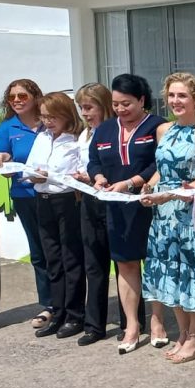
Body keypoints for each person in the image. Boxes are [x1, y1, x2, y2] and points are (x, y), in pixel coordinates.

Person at [140, 73, 195, 364]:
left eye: (182, 95)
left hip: (190, 216)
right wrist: (150, 186)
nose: (175, 101)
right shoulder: (164, 130)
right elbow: (162, 169)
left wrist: (170, 194)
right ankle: (182, 333)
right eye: (172, 96)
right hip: (163, 215)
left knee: (191, 273)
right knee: (168, 272)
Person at [87, 74, 165, 354]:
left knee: (154, 263)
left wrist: (132, 182)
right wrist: (97, 177)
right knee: (125, 264)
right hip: (117, 208)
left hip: (149, 204)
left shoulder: (157, 126)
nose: (120, 109)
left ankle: (157, 321)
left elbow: (160, 162)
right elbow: (94, 159)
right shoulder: (106, 129)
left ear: (142, 100)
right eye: (116, 104)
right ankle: (132, 324)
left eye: (127, 104)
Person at [26, 92, 87, 339]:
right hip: (43, 199)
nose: (48, 122)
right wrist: (33, 175)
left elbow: (82, 171)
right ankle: (58, 311)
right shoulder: (41, 138)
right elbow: (28, 169)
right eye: (43, 117)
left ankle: (75, 315)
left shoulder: (76, 140)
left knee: (71, 257)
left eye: (52, 117)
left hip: (66, 200)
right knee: (52, 258)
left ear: (65, 115)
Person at [0, 79, 50, 328]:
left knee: (64, 251)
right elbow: (4, 166)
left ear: (35, 96)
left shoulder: (50, 122)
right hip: (25, 196)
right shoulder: (6, 129)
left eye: (22, 96)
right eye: (12, 97)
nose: (16, 100)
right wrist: (2, 160)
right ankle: (49, 305)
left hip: (58, 195)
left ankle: (72, 302)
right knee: (39, 251)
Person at [72, 83, 117, 346]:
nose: (85, 113)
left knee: (122, 264)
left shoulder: (113, 131)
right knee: (94, 263)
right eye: (81, 108)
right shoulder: (85, 134)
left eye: (89, 107)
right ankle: (94, 324)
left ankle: (130, 320)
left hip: (112, 197)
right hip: (88, 197)